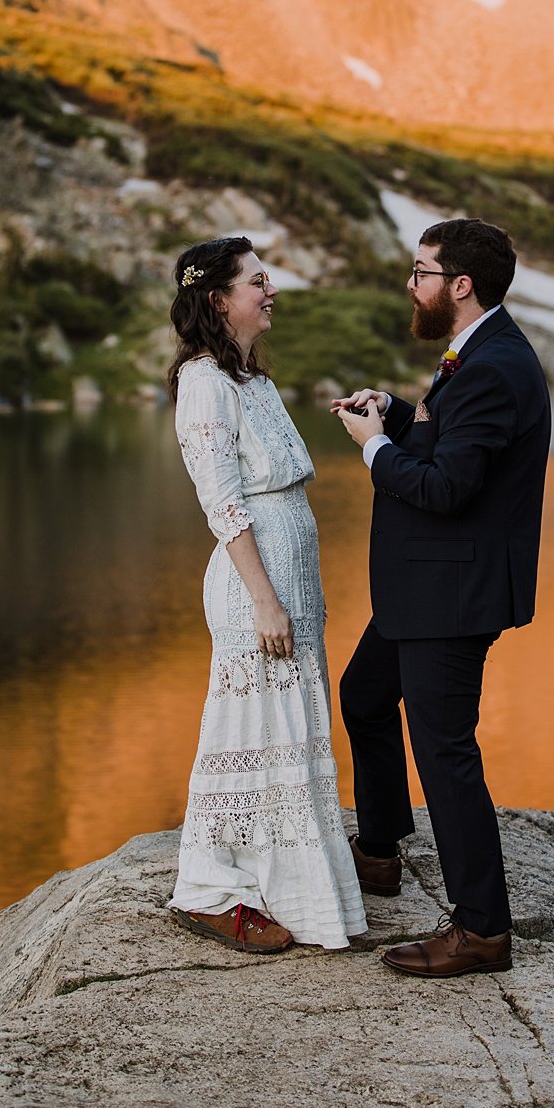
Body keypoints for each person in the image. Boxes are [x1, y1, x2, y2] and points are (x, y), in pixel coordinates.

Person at [333, 217, 551, 979]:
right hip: (425, 588)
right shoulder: (479, 352)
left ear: (459, 285)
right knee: (363, 694)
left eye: (420, 271)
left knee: (446, 753)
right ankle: (379, 850)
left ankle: (482, 930)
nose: (411, 284)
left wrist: (374, 449)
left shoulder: (494, 366)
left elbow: (448, 486)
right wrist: (396, 411)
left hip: (451, 596)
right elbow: (451, 442)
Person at [167, 237, 366, 953]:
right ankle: (208, 889)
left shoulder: (252, 379)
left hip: (288, 580)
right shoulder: (204, 383)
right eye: (257, 281)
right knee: (245, 731)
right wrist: (264, 599)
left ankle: (293, 886)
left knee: (285, 733)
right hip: (255, 585)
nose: (270, 290)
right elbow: (222, 504)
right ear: (219, 299)